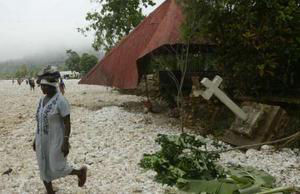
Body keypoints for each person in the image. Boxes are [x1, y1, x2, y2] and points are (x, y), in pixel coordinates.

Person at [33, 66, 87, 194]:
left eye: (44, 86)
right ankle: (50, 191)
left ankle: (80, 172)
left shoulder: (61, 101)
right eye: (41, 86)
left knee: (57, 166)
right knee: (43, 165)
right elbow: (40, 119)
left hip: (56, 139)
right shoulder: (42, 100)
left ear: (52, 86)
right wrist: (36, 138)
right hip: (42, 138)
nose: (42, 88)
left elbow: (67, 122)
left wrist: (65, 141)